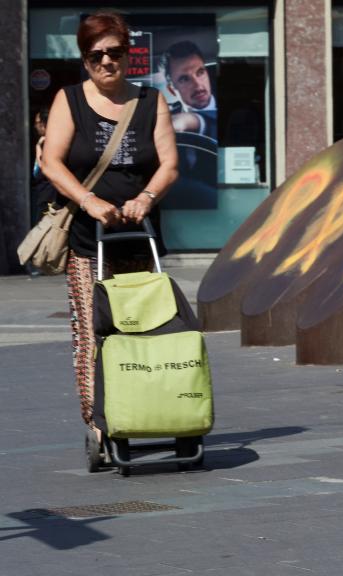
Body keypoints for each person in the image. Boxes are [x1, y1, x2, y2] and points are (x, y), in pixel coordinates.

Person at [39, 11, 178, 438]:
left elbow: (169, 165)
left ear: (127, 55)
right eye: (95, 55)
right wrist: (89, 200)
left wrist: (145, 196)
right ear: (85, 60)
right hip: (87, 240)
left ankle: (146, 411)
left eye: (114, 53)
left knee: (146, 331)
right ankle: (98, 422)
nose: (105, 62)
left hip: (140, 239)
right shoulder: (70, 100)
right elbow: (51, 162)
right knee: (94, 333)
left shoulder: (150, 101)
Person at [162, 41, 216, 139]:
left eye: (200, 72)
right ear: (172, 90)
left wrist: (190, 122)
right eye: (184, 79)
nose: (198, 85)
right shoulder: (167, 118)